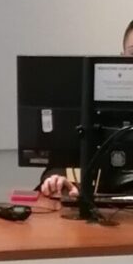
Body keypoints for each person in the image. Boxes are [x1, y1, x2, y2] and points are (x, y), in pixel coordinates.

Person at [39, 19, 133, 201]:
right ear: (121, 57)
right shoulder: (96, 105)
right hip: (107, 212)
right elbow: (60, 161)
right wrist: (59, 180)